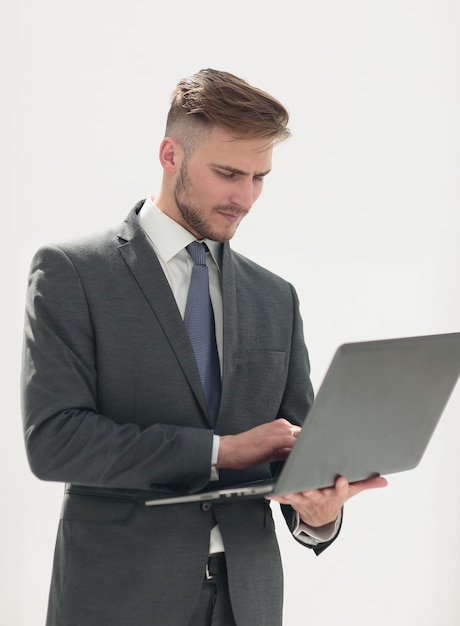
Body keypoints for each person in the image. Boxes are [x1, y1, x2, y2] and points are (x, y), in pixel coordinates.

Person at [21, 68, 387, 626]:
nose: (245, 197)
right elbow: (55, 441)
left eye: (260, 177)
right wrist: (220, 451)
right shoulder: (73, 273)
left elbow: (297, 452)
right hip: (118, 598)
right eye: (228, 173)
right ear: (171, 155)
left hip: (248, 601)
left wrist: (321, 511)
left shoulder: (275, 297)